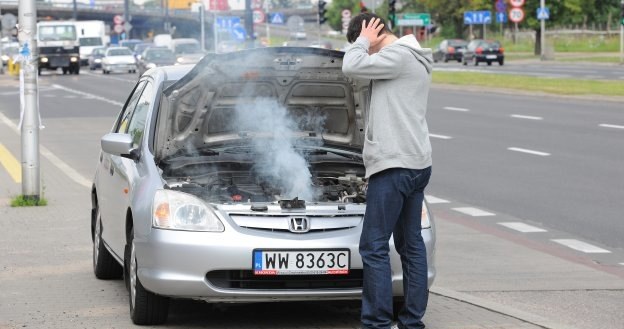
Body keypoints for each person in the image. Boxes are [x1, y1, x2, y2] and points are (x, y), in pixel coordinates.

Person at [341, 12, 433, 329]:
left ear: (376, 32)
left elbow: (350, 66)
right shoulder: (414, 56)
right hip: (416, 162)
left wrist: (364, 39)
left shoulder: (397, 55)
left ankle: (377, 323)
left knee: (373, 246)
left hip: (394, 164)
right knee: (411, 246)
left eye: (365, 44)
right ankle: (411, 322)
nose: (366, 52)